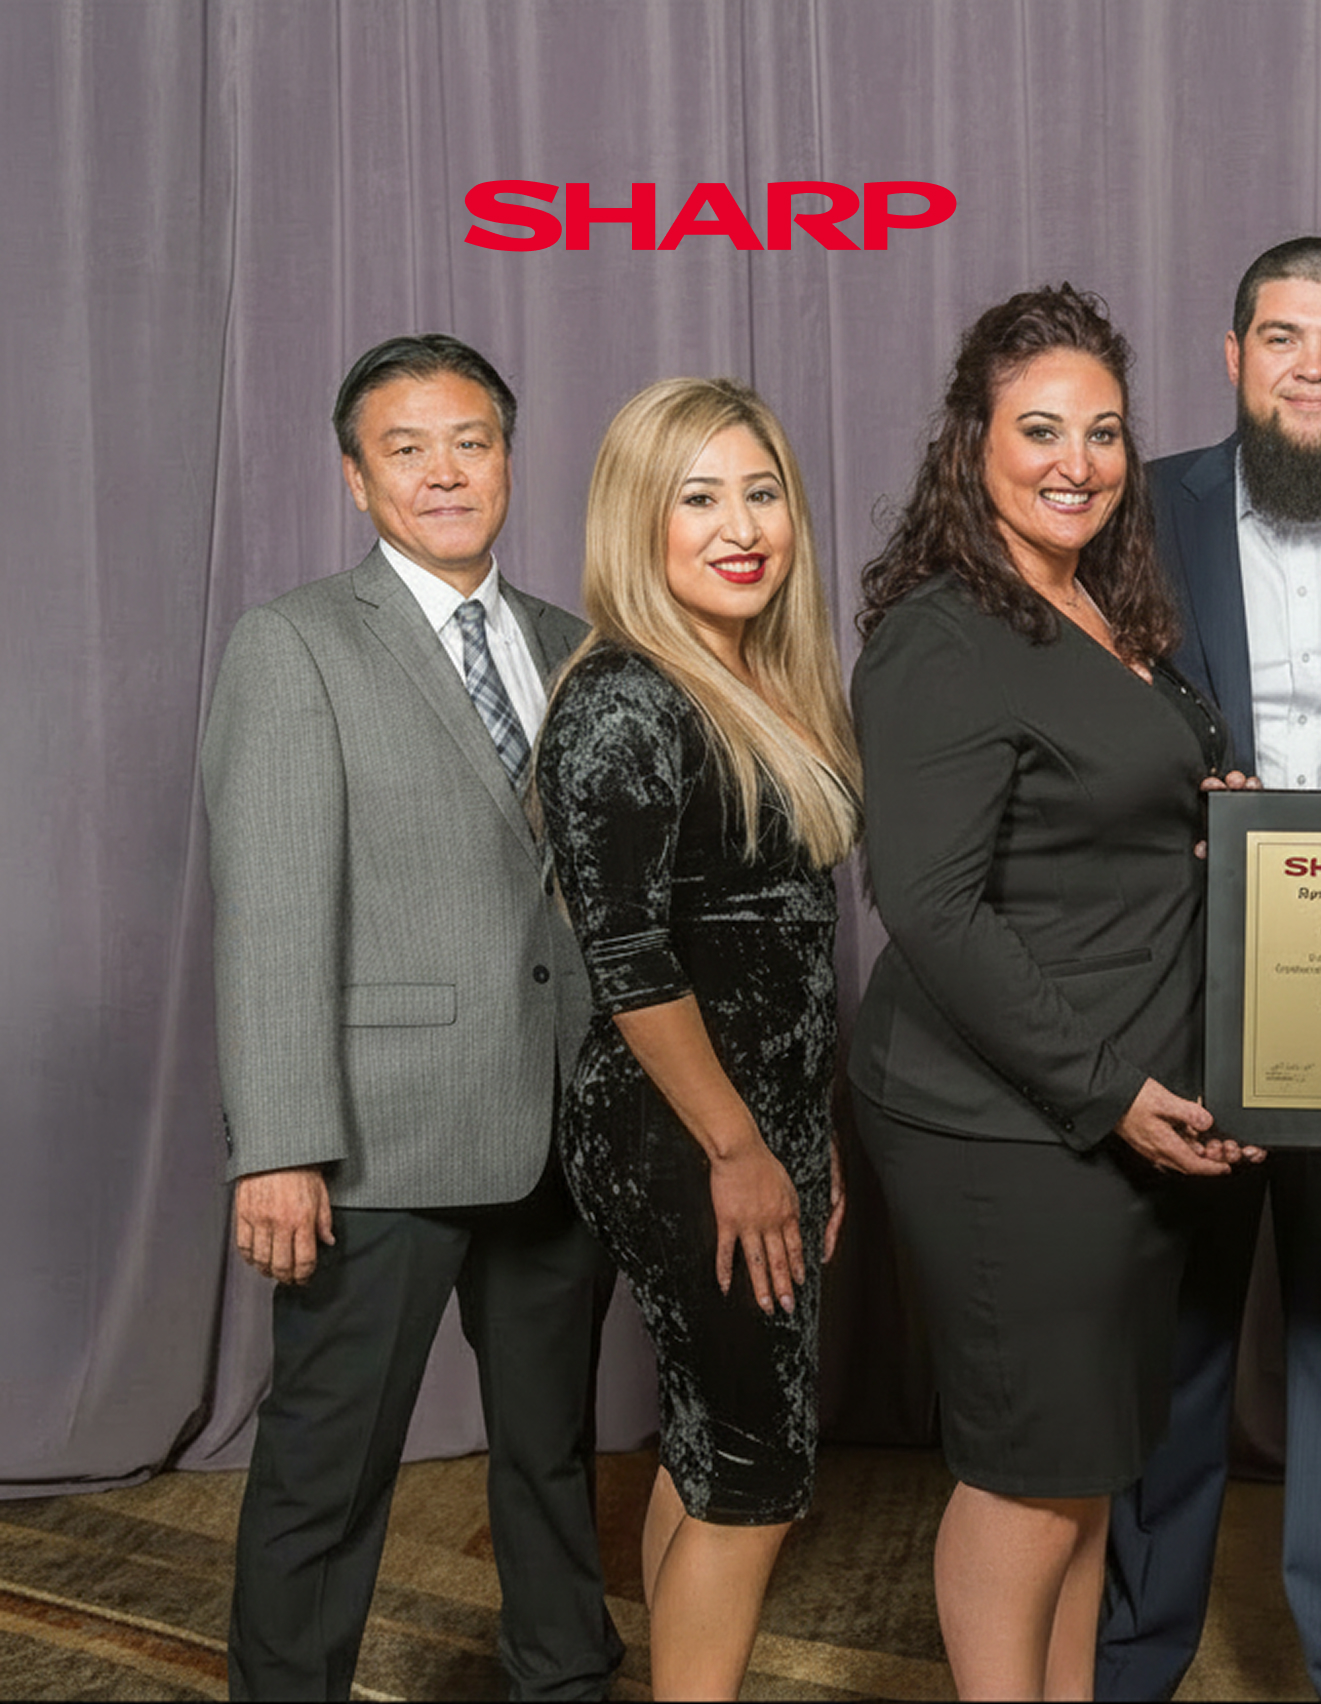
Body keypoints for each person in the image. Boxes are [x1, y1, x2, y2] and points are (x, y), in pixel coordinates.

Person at [850, 283, 1260, 1702]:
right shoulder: (943, 633)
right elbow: (931, 905)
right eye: (1039, 430)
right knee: (1029, 1480)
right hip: (1007, 1122)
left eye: (1103, 430)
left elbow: (1101, 819)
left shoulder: (1096, 603)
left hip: (1115, 1102)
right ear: (972, 442)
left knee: (1085, 1474)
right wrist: (1108, 1093)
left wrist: (1214, 822)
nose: (1076, 462)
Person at [203, 334, 621, 1700]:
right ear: (356, 477)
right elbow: (269, 909)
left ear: (508, 458)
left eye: (471, 443)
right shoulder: (296, 644)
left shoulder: (570, 644)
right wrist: (280, 1145)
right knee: (325, 1472)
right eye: (407, 448)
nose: (445, 473)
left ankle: (564, 1678)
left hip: (560, 1133)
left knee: (553, 1457)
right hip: (376, 1146)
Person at [1102, 235, 1321, 1703]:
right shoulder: (1134, 509)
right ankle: (1134, 1658)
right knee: (1170, 1344)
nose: (1315, 367)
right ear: (1233, 357)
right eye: (1285, 338)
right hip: (1177, 985)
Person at [533, 378, 860, 1700]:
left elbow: (782, 966)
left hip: (752, 1122)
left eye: (762, 493)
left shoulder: (748, 679)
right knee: (758, 1473)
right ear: (639, 520)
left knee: (707, 1447)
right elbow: (630, 960)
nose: (742, 528)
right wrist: (740, 1150)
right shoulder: (625, 697)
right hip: (681, 1129)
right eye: (701, 498)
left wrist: (807, 1138)